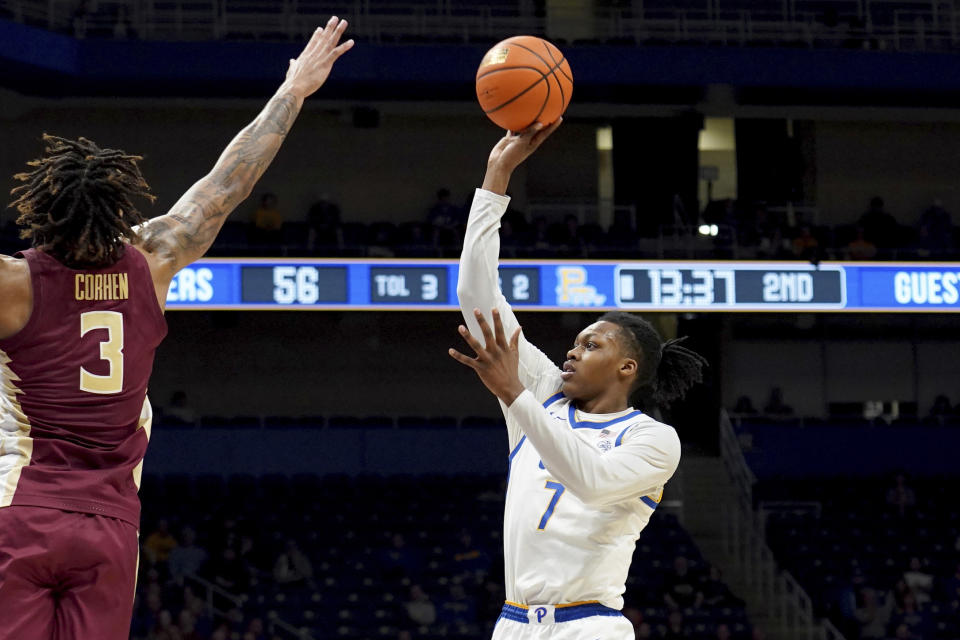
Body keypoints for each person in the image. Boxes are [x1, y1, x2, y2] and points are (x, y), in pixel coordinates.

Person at [0, 16, 353, 639]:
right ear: (116, 211)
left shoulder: (13, 282)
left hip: (19, 508)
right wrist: (292, 91)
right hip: (109, 523)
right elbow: (228, 183)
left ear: (40, 217)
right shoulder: (154, 255)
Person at [448, 121, 706, 639]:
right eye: (576, 341)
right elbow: (478, 299)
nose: (572, 349)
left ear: (626, 368)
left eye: (592, 345)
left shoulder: (654, 440)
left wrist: (515, 396)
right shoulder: (544, 398)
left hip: (588, 625)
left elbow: (590, 482)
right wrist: (496, 179)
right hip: (513, 624)